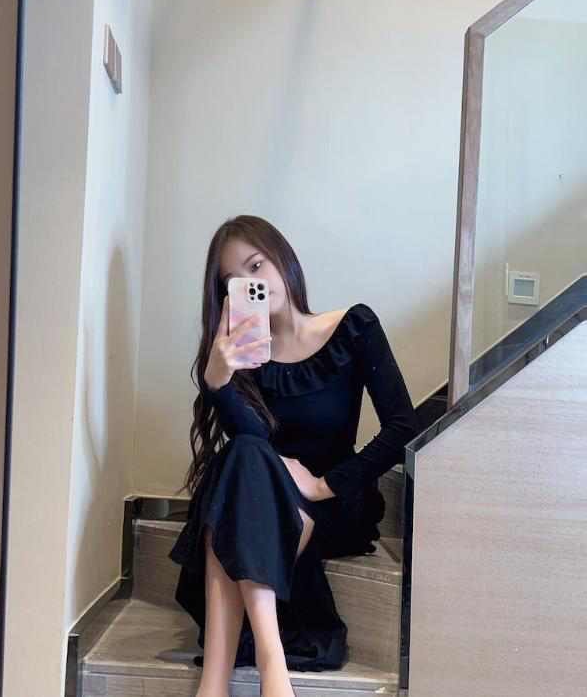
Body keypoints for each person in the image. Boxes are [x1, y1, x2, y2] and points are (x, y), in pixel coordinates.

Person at [168, 214, 419, 697]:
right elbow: (254, 447)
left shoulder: (353, 328)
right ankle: (265, 670)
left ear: (282, 258)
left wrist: (324, 485)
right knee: (242, 455)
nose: (255, 283)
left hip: (331, 506)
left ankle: (221, 680)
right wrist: (218, 385)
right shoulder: (239, 356)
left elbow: (403, 427)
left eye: (256, 265)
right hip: (263, 505)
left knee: (234, 501)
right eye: (236, 280)